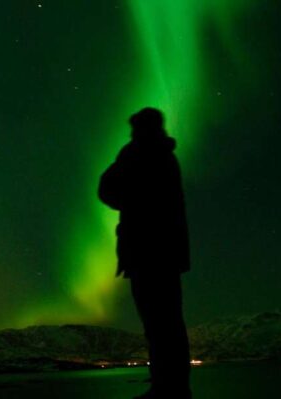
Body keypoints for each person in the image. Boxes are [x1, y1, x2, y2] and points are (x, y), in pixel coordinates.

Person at [98, 108, 192, 399]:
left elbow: (108, 190)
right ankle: (170, 386)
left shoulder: (144, 156)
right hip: (162, 252)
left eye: (136, 129)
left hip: (149, 252)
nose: (132, 134)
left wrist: (127, 155)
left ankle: (169, 389)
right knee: (165, 324)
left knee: (160, 324)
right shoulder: (162, 157)